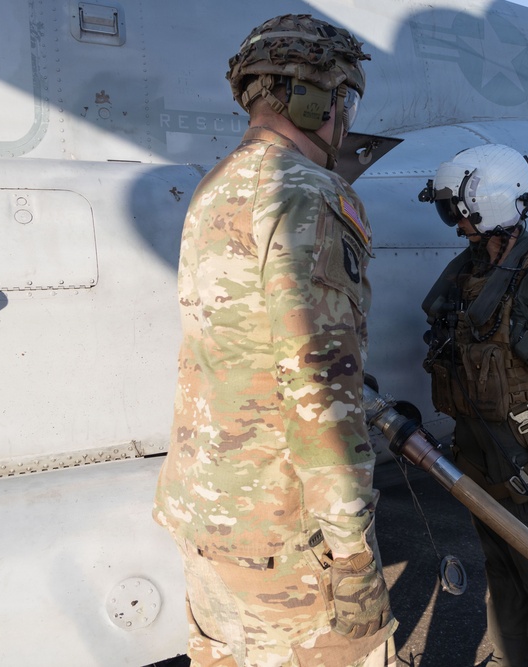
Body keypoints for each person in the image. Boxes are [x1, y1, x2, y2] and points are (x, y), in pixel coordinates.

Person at [153, 14, 396, 667]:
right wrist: (351, 559)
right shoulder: (308, 195)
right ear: (321, 98)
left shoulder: (215, 188)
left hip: (208, 531)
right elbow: (321, 394)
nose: (345, 117)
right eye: (345, 99)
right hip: (285, 551)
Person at [419, 144, 528, 666]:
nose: (456, 226)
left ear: (490, 202)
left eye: (460, 212)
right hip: (476, 437)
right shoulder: (477, 266)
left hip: (520, 441)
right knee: (499, 561)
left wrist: (517, 339)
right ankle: (514, 655)